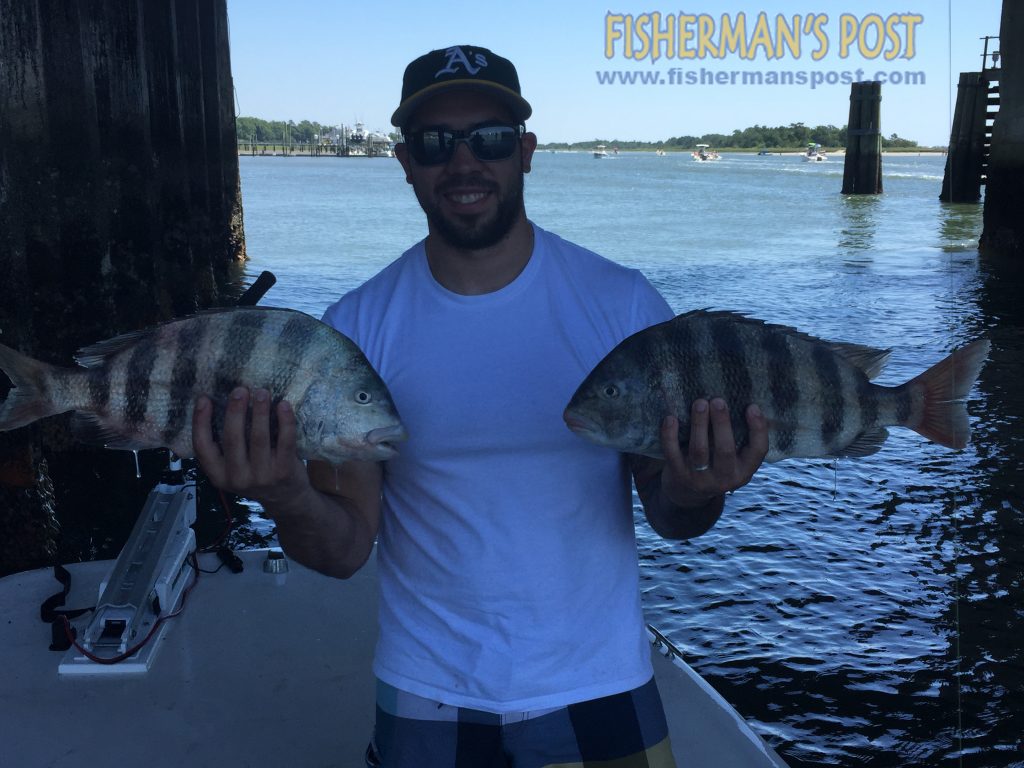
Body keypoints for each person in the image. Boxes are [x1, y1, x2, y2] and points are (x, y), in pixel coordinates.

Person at [194, 44, 768, 768]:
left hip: (600, 682)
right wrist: (283, 496)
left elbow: (673, 516)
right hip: (426, 688)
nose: (464, 164)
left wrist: (695, 488)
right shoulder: (356, 329)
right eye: (436, 143)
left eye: (490, 139)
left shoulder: (621, 306)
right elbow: (342, 551)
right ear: (405, 162)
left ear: (526, 152)